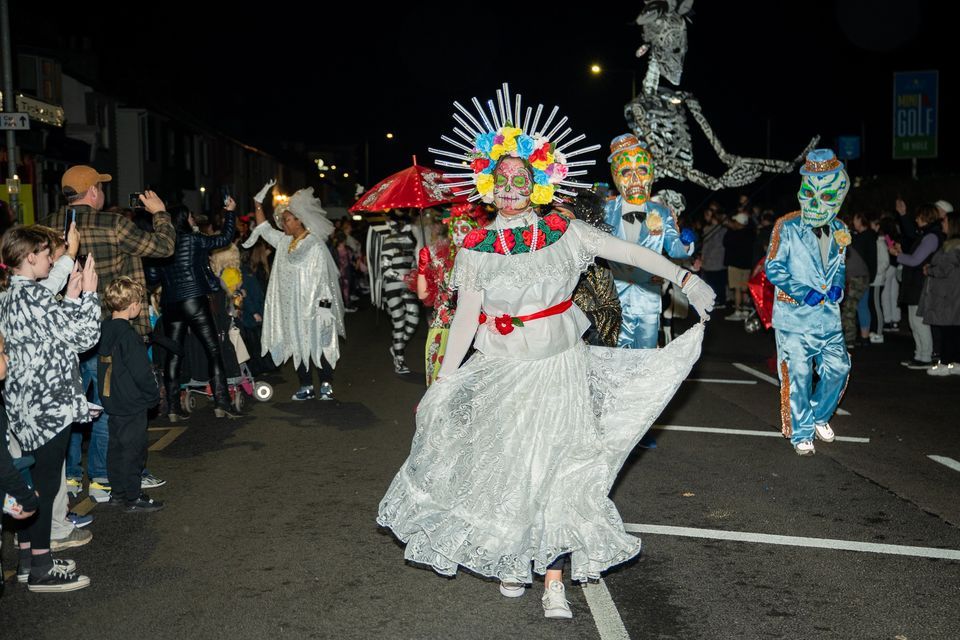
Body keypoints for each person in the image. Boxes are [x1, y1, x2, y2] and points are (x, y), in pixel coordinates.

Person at [378, 90, 715, 620]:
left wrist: (684, 278)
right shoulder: (477, 249)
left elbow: (627, 251)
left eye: (521, 180)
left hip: (560, 370)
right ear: (488, 187)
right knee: (509, 470)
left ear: (536, 183)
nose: (512, 189)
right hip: (501, 373)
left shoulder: (566, 232)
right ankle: (513, 561)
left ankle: (553, 581)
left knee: (560, 471)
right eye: (502, 180)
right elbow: (466, 320)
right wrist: (442, 383)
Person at [43, 165, 175, 500]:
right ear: (92, 192)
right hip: (110, 331)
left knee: (70, 407)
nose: (102, 193)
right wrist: (160, 214)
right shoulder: (113, 224)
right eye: (100, 187)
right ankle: (101, 477)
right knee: (107, 405)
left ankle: (70, 476)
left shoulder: (46, 225)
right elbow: (163, 247)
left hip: (63, 333)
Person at [0, 226, 100, 591]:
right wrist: (89, 294)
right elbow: (83, 337)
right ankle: (42, 569)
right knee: (42, 483)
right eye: (45, 253)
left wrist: (70, 297)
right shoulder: (35, 297)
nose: (51, 259)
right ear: (29, 257)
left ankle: (29, 558)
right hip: (48, 402)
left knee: (31, 478)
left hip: (24, 404)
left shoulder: (11, 294)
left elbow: (51, 334)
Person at [765, 149, 852, 456]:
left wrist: (838, 288)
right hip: (794, 319)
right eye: (809, 192)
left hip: (828, 317)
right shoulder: (785, 227)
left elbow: (839, 267)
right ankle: (802, 432)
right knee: (799, 376)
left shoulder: (841, 229)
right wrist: (803, 291)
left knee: (839, 367)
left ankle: (818, 414)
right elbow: (772, 267)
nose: (815, 203)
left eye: (825, 194)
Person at [244, 185, 345, 401]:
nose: (283, 223)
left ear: (300, 220)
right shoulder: (283, 242)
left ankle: (326, 383)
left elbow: (324, 281)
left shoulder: (314, 245)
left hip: (316, 308)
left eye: (287, 220)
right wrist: (258, 204)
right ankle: (306, 385)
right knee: (298, 344)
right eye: (283, 220)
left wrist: (325, 311)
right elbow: (264, 227)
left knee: (320, 342)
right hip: (293, 309)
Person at [147, 199, 239, 419]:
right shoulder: (194, 239)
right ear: (183, 219)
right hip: (194, 299)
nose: (193, 220)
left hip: (171, 303)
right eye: (190, 216)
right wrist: (230, 214)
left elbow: (152, 277)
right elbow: (225, 238)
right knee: (213, 350)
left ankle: (173, 408)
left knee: (174, 353)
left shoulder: (161, 243)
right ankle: (222, 403)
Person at [604, 134, 694, 347]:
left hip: (648, 302)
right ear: (616, 176)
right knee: (615, 363)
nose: (635, 179)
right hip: (613, 301)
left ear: (651, 173)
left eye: (641, 170)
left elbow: (675, 250)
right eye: (627, 172)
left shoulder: (661, 212)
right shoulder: (605, 210)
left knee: (646, 361)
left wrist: (687, 242)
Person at [97, 277, 163, 511]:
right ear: (133, 304)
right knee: (134, 449)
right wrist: (152, 395)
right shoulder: (129, 335)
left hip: (112, 399)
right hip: (132, 401)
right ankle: (133, 497)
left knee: (116, 448)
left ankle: (118, 492)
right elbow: (141, 371)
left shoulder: (104, 329)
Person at [414, 204, 487, 385]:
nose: (460, 233)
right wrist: (423, 268)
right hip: (459, 329)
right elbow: (423, 295)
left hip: (464, 332)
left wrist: (424, 268)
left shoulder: (485, 258)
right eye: (457, 229)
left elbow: (423, 295)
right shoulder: (486, 257)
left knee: (453, 386)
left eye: (465, 229)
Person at [891, 203, 944, 369]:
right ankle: (919, 354)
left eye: (918, 216)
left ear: (925, 217)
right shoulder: (927, 234)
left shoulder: (931, 237)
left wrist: (898, 256)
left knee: (919, 322)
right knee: (915, 322)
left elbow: (915, 260)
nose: (916, 219)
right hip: (917, 282)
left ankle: (925, 356)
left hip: (921, 284)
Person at [919, 211, 960, 375]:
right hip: (953, 293)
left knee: (946, 331)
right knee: (954, 330)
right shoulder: (952, 244)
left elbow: (944, 268)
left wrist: (930, 269)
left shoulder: (953, 246)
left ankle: (945, 363)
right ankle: (955, 363)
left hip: (947, 294)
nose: (942, 224)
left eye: (945, 221)